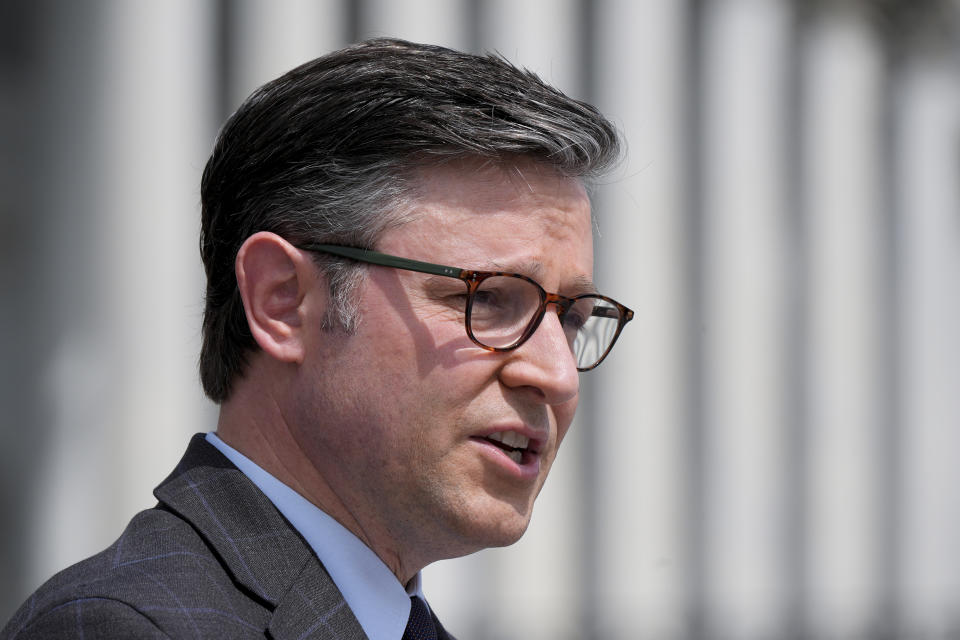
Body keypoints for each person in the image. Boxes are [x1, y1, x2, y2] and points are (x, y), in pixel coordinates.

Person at [2, 38, 632, 640]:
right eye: (489, 298)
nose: (556, 375)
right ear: (283, 302)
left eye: (571, 317)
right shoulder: (124, 629)